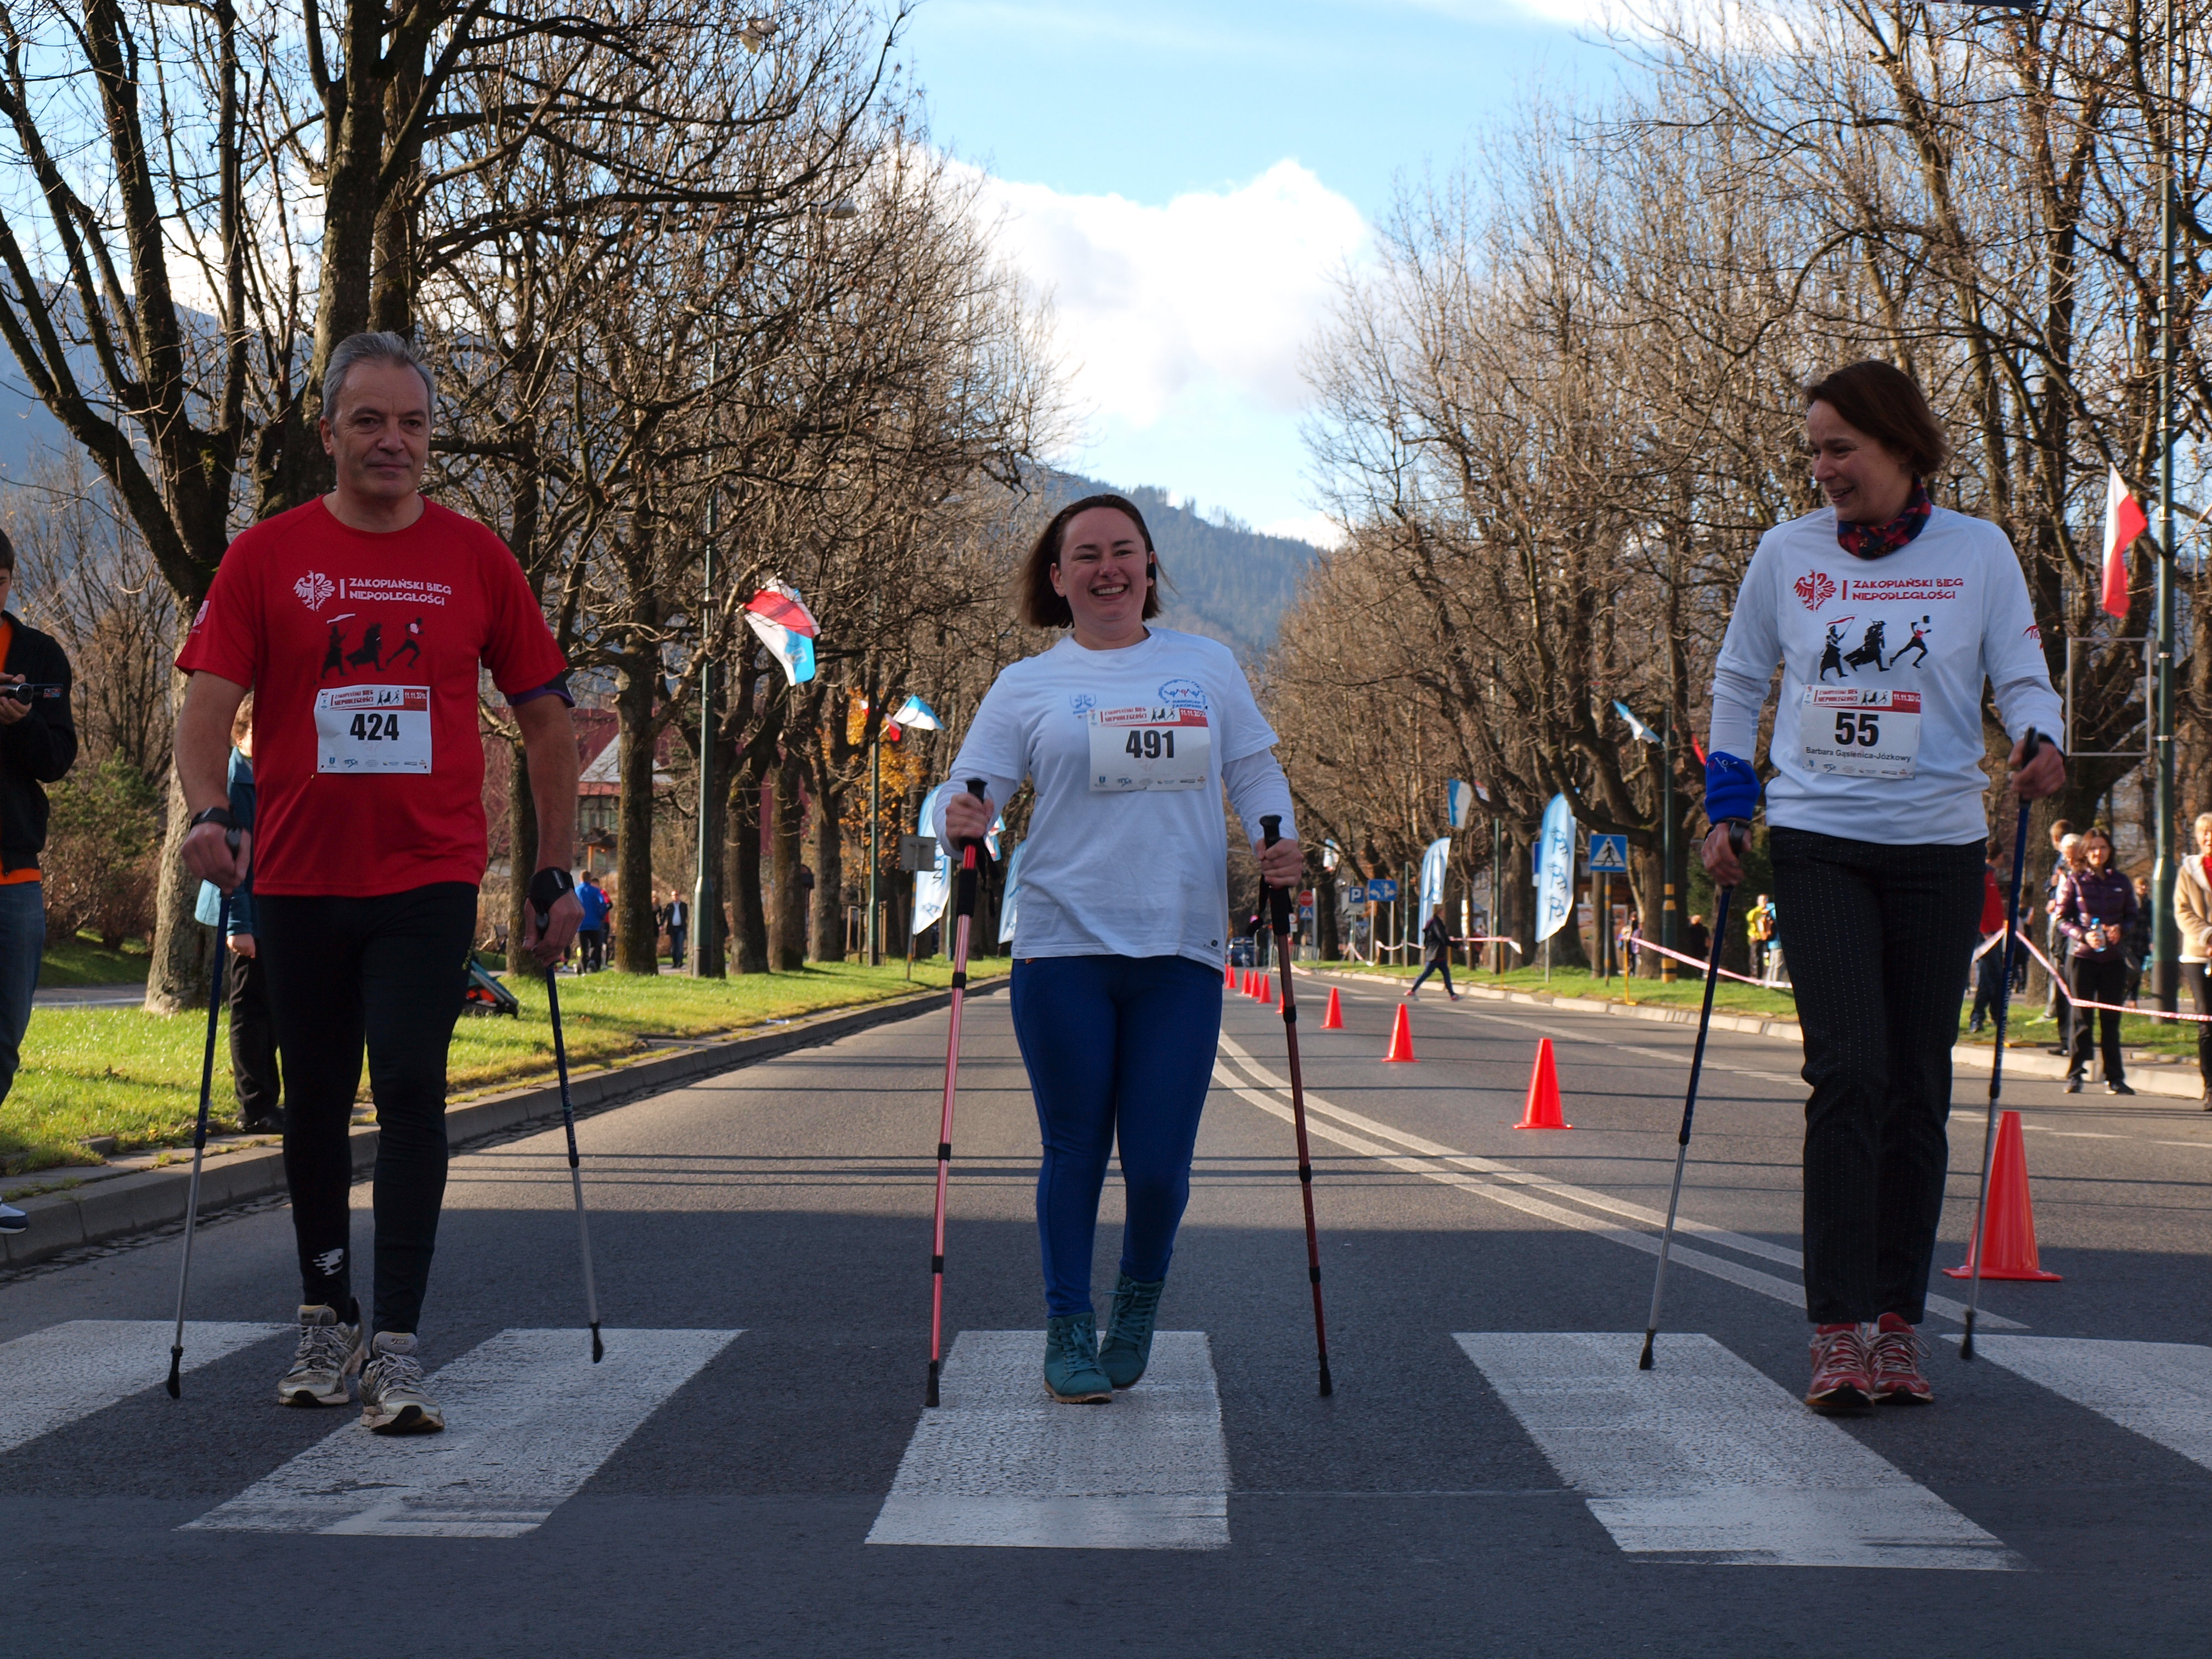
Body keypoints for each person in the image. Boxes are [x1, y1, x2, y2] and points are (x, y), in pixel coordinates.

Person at [177, 330, 583, 1435]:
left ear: (431, 436)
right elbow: (206, 709)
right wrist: (210, 812)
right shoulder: (266, 556)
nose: (392, 440)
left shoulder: (476, 558)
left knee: (409, 1085)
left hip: (426, 874)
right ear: (329, 434)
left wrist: (555, 865)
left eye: (411, 422)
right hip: (300, 874)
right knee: (313, 1096)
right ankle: (325, 1314)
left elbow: (549, 721)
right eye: (369, 420)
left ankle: (396, 1342)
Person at [1700, 359, 2063, 1415]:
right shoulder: (1787, 553)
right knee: (1848, 1069)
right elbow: (1738, 677)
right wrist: (1728, 801)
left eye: (1839, 448)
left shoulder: (1977, 551)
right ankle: (1834, 1327)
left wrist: (2041, 736)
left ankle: (1895, 1323)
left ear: (1901, 446)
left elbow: (2022, 674)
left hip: (1936, 844)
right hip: (1818, 838)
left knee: (1914, 1082)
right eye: (1812, 449)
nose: (1821, 469)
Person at [935, 492, 1297, 1405]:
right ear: (1057, 579)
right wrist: (958, 817)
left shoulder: (1205, 666)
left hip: (1180, 946)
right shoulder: (1027, 684)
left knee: (1161, 1163)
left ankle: (1134, 1308)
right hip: (1062, 944)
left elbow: (1253, 769)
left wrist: (1279, 841)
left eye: (1124, 551)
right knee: (1075, 1148)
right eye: (1088, 555)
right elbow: (968, 789)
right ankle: (1067, 1325)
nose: (1109, 568)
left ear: (1149, 567)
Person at [0, 529, 74, 1235]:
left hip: (13, 872)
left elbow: (57, 759)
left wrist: (19, 724)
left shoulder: (39, 655)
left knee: (4, 1034)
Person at [194, 695, 283, 1131]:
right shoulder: (234, 780)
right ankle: (255, 1106)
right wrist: (239, 925)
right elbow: (231, 863)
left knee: (274, 1008)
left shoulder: (267, 775)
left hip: (272, 906)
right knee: (251, 1011)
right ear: (242, 734)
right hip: (243, 908)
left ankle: (269, 1099)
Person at [2055, 825, 2137, 1095]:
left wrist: (2121, 929)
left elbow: (2133, 916)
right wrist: (2083, 935)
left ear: (2110, 851)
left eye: (2103, 848)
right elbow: (2061, 920)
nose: (2098, 853)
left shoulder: (2121, 881)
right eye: (2092, 848)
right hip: (2082, 957)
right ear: (2085, 852)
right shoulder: (2075, 881)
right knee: (2081, 1018)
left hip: (2113, 958)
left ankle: (2115, 1077)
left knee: (2111, 1020)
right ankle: (2075, 1074)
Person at [2174, 811, 2212, 1107]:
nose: (2208, 838)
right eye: (2204, 832)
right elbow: (2183, 910)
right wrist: (2208, 937)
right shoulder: (2189, 870)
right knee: (2206, 1020)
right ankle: (2210, 1085)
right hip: (2199, 956)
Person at [2044, 833, 2085, 1053]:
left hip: (2077, 937)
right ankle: (2064, 1040)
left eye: (2073, 857)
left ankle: (2076, 1042)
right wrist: (2052, 898)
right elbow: (2053, 890)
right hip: (2060, 933)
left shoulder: (2084, 876)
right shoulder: (2062, 871)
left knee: (2075, 990)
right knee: (2062, 989)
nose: (2069, 861)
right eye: (2066, 857)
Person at [1407, 908, 1459, 1000]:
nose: (1444, 913)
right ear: (1439, 912)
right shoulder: (1436, 923)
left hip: (1438, 954)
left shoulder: (1433, 922)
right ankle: (1413, 990)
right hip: (1435, 954)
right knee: (1427, 973)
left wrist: (1448, 939)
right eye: (1442, 911)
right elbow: (1442, 938)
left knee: (1446, 974)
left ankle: (1452, 994)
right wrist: (1457, 946)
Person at [575, 872, 609, 972]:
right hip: (594, 923)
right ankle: (591, 960)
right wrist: (601, 916)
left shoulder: (576, 891)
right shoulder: (596, 891)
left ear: (580, 879)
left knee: (583, 948)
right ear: (590, 879)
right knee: (595, 944)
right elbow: (603, 904)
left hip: (581, 924)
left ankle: (583, 969)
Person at [663, 890, 689, 969]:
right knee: (674, 947)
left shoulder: (684, 906)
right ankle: (675, 962)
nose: (675, 897)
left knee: (680, 945)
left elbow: (688, 916)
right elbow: (664, 917)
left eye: (676, 895)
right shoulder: (669, 906)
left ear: (679, 896)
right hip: (672, 928)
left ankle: (680, 962)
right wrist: (661, 925)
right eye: (673, 895)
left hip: (681, 928)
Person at [1683, 912, 1709, 978]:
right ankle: (1700, 975)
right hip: (1702, 949)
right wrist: (1707, 948)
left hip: (1692, 948)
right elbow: (1707, 940)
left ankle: (1694, 975)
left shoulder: (1690, 929)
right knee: (1701, 963)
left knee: (1692, 962)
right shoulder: (1704, 929)